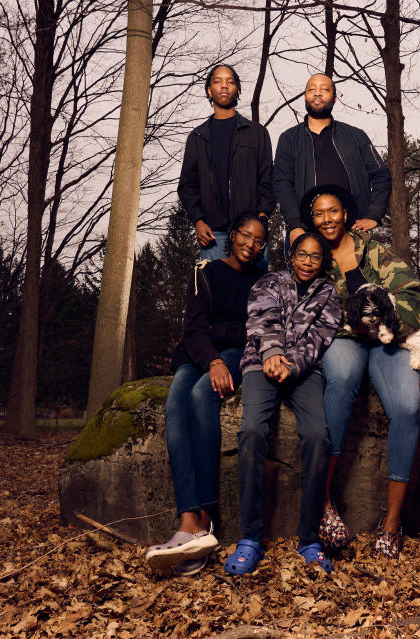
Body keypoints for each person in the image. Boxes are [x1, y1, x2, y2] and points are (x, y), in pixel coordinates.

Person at [304, 184, 420, 559]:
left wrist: (385, 323)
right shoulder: (311, 258)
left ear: (346, 214)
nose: (327, 219)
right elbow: (307, 309)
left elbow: (413, 297)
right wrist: (349, 324)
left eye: (334, 211)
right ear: (313, 219)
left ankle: (391, 526)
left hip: (388, 339)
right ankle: (324, 505)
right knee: (341, 378)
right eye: (319, 213)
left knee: (408, 407)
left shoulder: (374, 251)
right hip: (345, 338)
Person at [144, 213, 268, 576]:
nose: (251, 243)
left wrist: (222, 351)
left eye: (259, 240)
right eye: (245, 235)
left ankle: (206, 515)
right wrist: (212, 357)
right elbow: (194, 327)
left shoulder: (264, 281)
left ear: (263, 247)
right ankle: (188, 521)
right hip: (199, 353)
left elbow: (252, 332)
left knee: (203, 396)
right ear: (232, 236)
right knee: (175, 404)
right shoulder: (206, 271)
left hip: (234, 352)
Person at [224, 233, 343, 575]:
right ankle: (250, 537)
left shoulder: (329, 295)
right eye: (301, 255)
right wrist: (273, 355)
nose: (307, 261)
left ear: (323, 261)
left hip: (304, 371)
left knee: (318, 435)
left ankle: (309, 539)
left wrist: (290, 363)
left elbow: (320, 338)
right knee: (251, 431)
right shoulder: (269, 282)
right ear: (291, 256)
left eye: (315, 257)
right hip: (260, 363)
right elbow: (262, 320)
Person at [273, 73, 392, 249]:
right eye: (312, 89)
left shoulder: (356, 136)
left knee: (357, 278)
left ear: (334, 98)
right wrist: (295, 225)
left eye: (325, 89)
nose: (318, 93)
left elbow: (381, 175)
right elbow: (282, 183)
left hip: (352, 232)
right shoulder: (289, 139)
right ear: (305, 97)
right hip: (306, 233)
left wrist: (374, 214)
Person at [178, 64, 274, 265]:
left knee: (257, 296)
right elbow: (187, 185)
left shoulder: (257, 133)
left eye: (230, 82)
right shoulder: (197, 137)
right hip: (213, 235)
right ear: (209, 90)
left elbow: (268, 179)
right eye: (217, 81)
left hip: (251, 234)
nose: (224, 86)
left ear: (237, 90)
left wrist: (262, 219)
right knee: (217, 295)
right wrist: (198, 220)